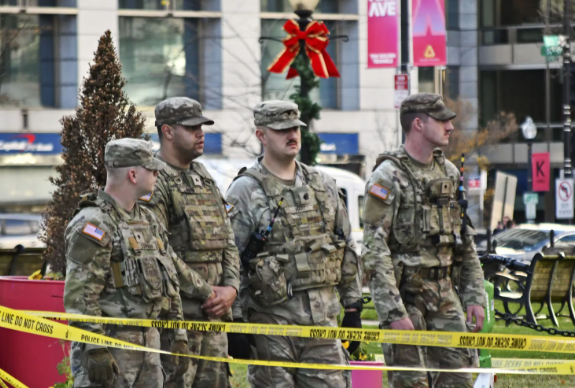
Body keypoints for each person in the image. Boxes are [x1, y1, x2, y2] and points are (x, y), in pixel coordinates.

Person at [225, 100, 363, 388]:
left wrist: (353, 307)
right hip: (272, 330)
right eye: (281, 129)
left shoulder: (323, 185)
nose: (292, 134)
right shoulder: (245, 190)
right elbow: (231, 260)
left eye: (295, 128)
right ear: (261, 135)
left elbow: (344, 246)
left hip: (323, 330)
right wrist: (235, 323)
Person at [362, 93, 486, 388]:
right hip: (407, 299)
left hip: (446, 296)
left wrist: (475, 297)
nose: (451, 127)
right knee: (411, 383)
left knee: (459, 381)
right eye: (442, 120)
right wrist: (393, 312)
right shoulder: (387, 176)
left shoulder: (450, 173)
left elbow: (464, 241)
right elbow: (374, 250)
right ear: (418, 124)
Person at [64, 138, 200, 388]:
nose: (158, 173)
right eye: (152, 169)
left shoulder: (148, 219)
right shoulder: (93, 223)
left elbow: (169, 279)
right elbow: (80, 294)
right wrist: (95, 348)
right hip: (111, 350)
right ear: (134, 174)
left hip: (150, 346)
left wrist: (178, 334)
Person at [140, 97, 240, 388]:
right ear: (168, 131)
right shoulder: (154, 180)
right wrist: (208, 291)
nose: (201, 133)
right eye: (192, 127)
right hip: (178, 321)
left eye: (202, 126)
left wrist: (232, 288)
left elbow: (228, 238)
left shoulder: (203, 176)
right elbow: (159, 250)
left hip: (215, 318)